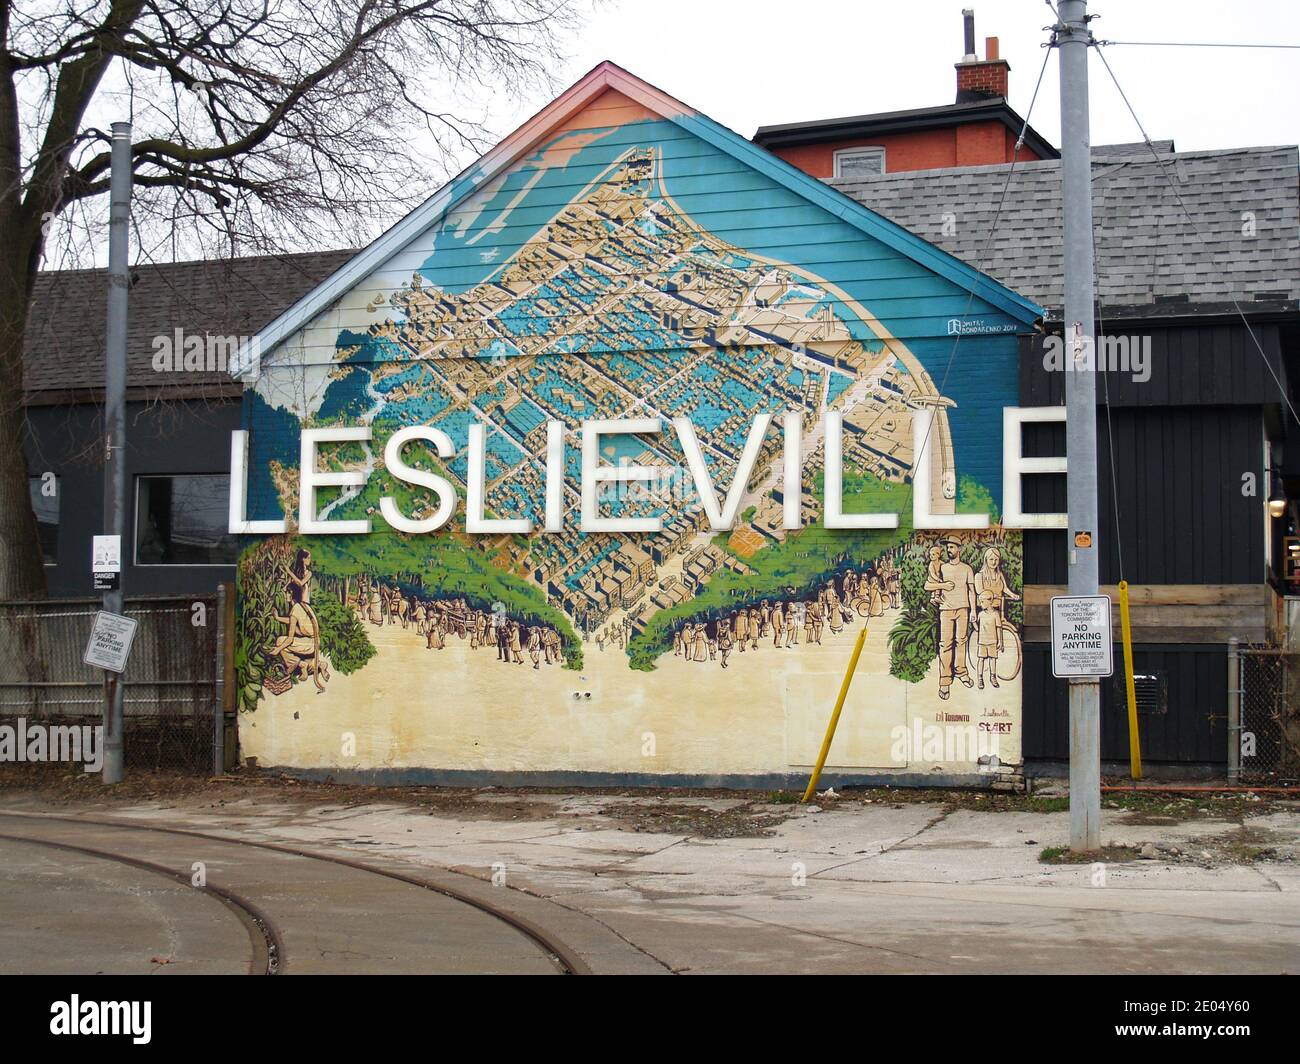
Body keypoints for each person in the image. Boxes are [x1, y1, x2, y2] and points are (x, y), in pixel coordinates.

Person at [927, 538, 977, 701]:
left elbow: (971, 591)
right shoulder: (941, 567)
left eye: (952, 547)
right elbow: (928, 586)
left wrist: (973, 611)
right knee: (945, 644)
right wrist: (942, 586)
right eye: (947, 547)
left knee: (961, 641)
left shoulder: (967, 569)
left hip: (963, 609)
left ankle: (961, 672)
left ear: (959, 549)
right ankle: (945, 681)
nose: (949, 550)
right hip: (946, 610)